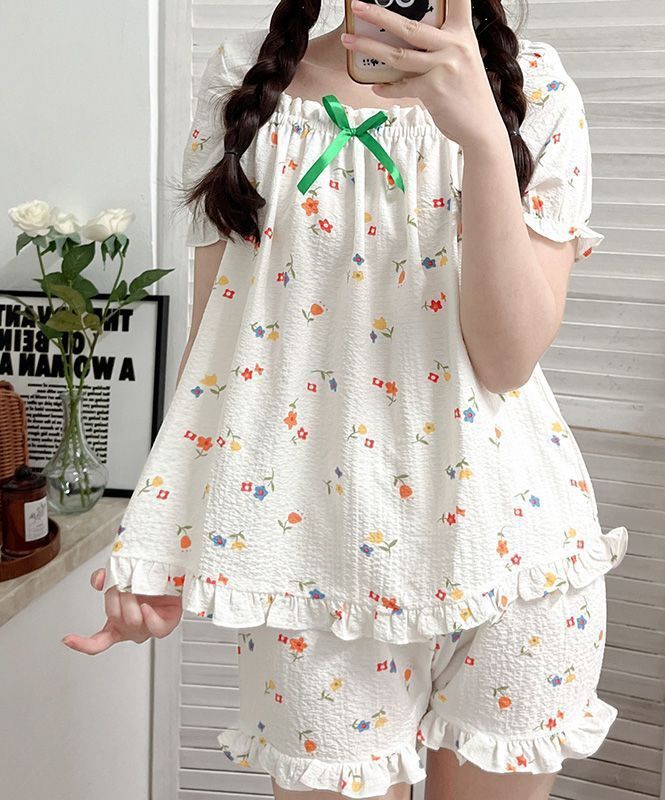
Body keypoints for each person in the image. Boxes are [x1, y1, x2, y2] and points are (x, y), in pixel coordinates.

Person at [63, 2, 629, 798]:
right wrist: (160, 537)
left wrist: (480, 137)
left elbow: (507, 360)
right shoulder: (245, 79)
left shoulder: (536, 88)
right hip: (314, 569)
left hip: (512, 557)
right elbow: (216, 348)